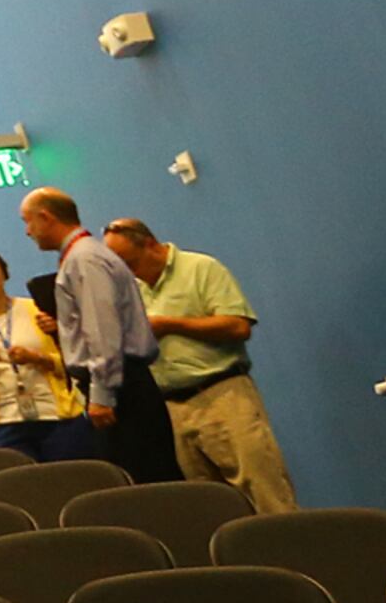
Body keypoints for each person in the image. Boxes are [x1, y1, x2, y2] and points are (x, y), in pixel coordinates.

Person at [106, 216, 297, 512]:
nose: (130, 273)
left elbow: (238, 327)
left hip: (222, 395)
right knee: (211, 505)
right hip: (174, 408)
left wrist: (172, 325)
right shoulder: (134, 291)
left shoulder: (200, 268)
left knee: (264, 493)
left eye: (130, 263)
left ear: (150, 245)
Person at [20, 185, 178, 482]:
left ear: (46, 217)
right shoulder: (84, 256)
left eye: (28, 221)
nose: (28, 231)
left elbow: (103, 330)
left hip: (121, 391)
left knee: (143, 485)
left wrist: (102, 394)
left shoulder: (84, 260)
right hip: (123, 384)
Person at [0, 243, 92, 460]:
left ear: (4, 271)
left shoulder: (35, 309)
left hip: (57, 416)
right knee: (20, 485)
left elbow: (69, 361)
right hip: (4, 423)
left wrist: (36, 358)